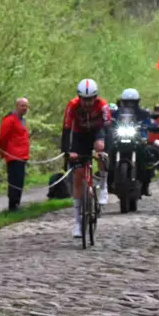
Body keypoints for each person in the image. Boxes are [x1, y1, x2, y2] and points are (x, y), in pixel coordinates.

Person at [61, 79, 109, 237]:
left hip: (97, 132)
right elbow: (66, 129)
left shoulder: (102, 105)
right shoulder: (72, 105)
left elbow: (108, 127)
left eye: (90, 99)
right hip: (80, 136)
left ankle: (103, 185)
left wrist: (104, 143)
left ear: (95, 97)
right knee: (78, 175)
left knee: (102, 152)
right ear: (79, 97)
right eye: (84, 99)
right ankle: (77, 222)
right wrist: (68, 151)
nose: (87, 103)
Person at [0, 97, 31, 212]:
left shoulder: (23, 120)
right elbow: (2, 137)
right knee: (14, 181)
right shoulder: (10, 119)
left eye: (26, 106)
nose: (24, 108)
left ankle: (17, 203)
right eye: (22, 105)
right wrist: (3, 153)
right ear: (17, 106)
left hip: (22, 156)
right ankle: (13, 206)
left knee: (20, 181)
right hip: (13, 155)